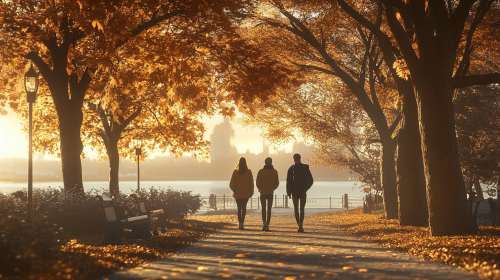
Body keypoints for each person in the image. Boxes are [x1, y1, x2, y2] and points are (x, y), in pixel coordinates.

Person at [286, 153, 313, 233]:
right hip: (303, 191)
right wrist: (305, 188)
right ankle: (301, 223)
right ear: (300, 159)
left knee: (296, 209)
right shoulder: (306, 168)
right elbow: (311, 181)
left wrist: (289, 192)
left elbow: (289, 181)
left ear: (294, 159)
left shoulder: (291, 168)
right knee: (302, 209)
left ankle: (299, 224)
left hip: (294, 191)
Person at [229, 157, 254, 230]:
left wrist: (235, 190)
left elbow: (231, 184)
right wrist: (251, 192)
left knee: (239, 208)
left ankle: (240, 222)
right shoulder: (249, 172)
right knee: (244, 208)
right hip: (246, 193)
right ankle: (242, 222)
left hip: (238, 194)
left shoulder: (235, 172)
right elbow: (251, 183)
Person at [256, 157, 280, 231]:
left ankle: (264, 223)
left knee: (263, 208)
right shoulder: (274, 171)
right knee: (269, 209)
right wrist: (272, 188)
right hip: (270, 193)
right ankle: (268, 224)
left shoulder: (261, 171)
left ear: (265, 163)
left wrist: (260, 188)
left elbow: (257, 182)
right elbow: (277, 183)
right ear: (271, 162)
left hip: (263, 192)